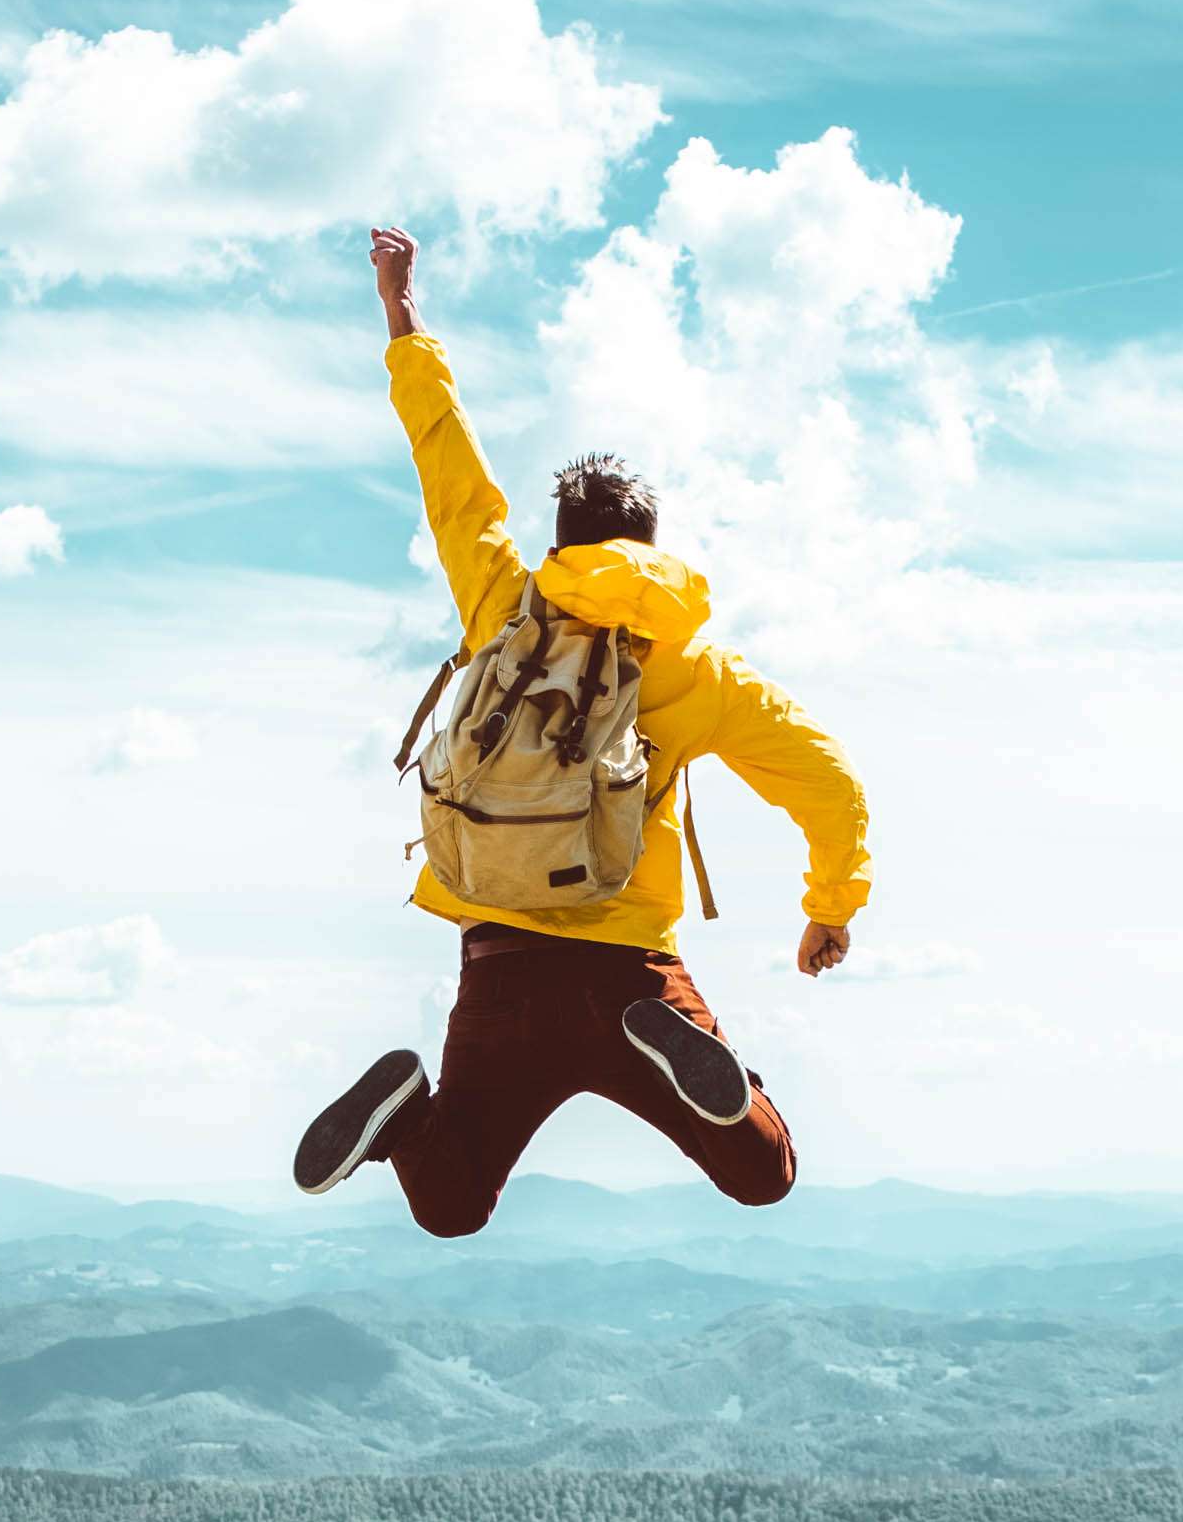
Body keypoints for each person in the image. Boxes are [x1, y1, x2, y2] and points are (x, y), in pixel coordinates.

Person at [295, 224, 870, 1235]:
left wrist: (404, 318)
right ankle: (701, 1069)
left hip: (499, 967)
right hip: (630, 974)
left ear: (561, 542)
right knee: (763, 1171)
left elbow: (450, 472)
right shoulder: (694, 666)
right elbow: (829, 782)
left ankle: (403, 1116)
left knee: (450, 1203)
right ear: (651, 546)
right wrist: (829, 906)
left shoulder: (503, 604)